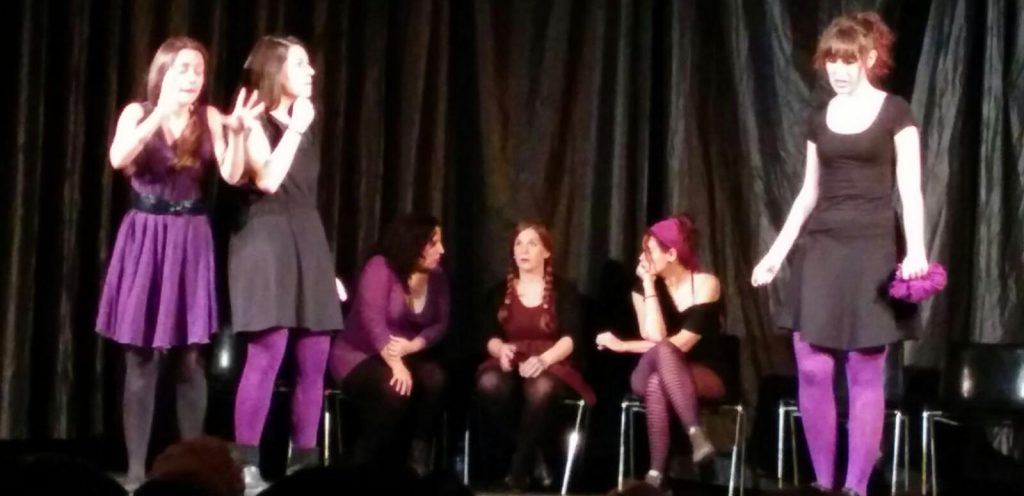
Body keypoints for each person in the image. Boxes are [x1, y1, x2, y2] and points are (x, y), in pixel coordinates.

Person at [750, 12, 929, 496]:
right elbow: (807, 193)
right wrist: (776, 252)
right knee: (811, 365)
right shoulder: (818, 118)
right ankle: (824, 482)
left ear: (868, 59)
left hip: (872, 246)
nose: (839, 69)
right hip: (823, 245)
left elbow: (910, 189)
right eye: (832, 60)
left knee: (864, 368)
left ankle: (855, 486)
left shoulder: (895, 112)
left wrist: (916, 249)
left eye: (848, 60)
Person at [95, 36, 261, 488]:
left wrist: (239, 133)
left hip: (191, 240)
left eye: (198, 71)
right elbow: (118, 158)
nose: (192, 78)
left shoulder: (209, 117)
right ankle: (135, 471)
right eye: (183, 69)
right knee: (141, 357)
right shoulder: (137, 113)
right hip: (146, 237)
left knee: (189, 359)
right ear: (163, 72)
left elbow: (231, 174)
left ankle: (195, 467)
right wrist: (159, 114)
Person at [229, 35, 346, 491]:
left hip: (306, 237)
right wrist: (295, 129)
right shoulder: (256, 122)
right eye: (300, 64)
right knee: (268, 352)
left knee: (315, 356)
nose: (311, 72)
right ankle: (246, 465)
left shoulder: (305, 121)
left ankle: (305, 465)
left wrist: (322, 267)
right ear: (275, 71)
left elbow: (305, 196)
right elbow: (269, 181)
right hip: (265, 238)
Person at [596, 215, 727, 488]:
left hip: (702, 370)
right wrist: (647, 285)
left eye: (649, 251)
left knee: (659, 379)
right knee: (659, 362)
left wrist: (622, 345)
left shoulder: (706, 284)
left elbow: (682, 344)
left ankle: (655, 477)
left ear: (671, 254)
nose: (642, 258)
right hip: (647, 368)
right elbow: (655, 337)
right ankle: (695, 433)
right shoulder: (640, 289)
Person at [475, 222, 594, 491]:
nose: (524, 250)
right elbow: (488, 336)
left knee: (541, 389)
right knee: (489, 384)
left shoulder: (563, 291)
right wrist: (500, 350)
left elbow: (571, 338)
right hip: (511, 358)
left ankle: (518, 469)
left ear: (546, 252)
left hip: (552, 359)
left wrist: (544, 360)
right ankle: (534, 452)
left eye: (532, 244)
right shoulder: (499, 292)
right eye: (519, 244)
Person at [329, 213, 450, 475]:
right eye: (434, 243)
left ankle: (417, 459)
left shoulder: (437, 276)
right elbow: (373, 322)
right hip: (360, 353)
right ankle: (366, 464)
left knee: (435, 378)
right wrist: (396, 364)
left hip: (405, 352)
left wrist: (414, 345)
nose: (441, 250)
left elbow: (440, 323)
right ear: (414, 243)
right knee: (393, 388)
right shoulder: (380, 267)